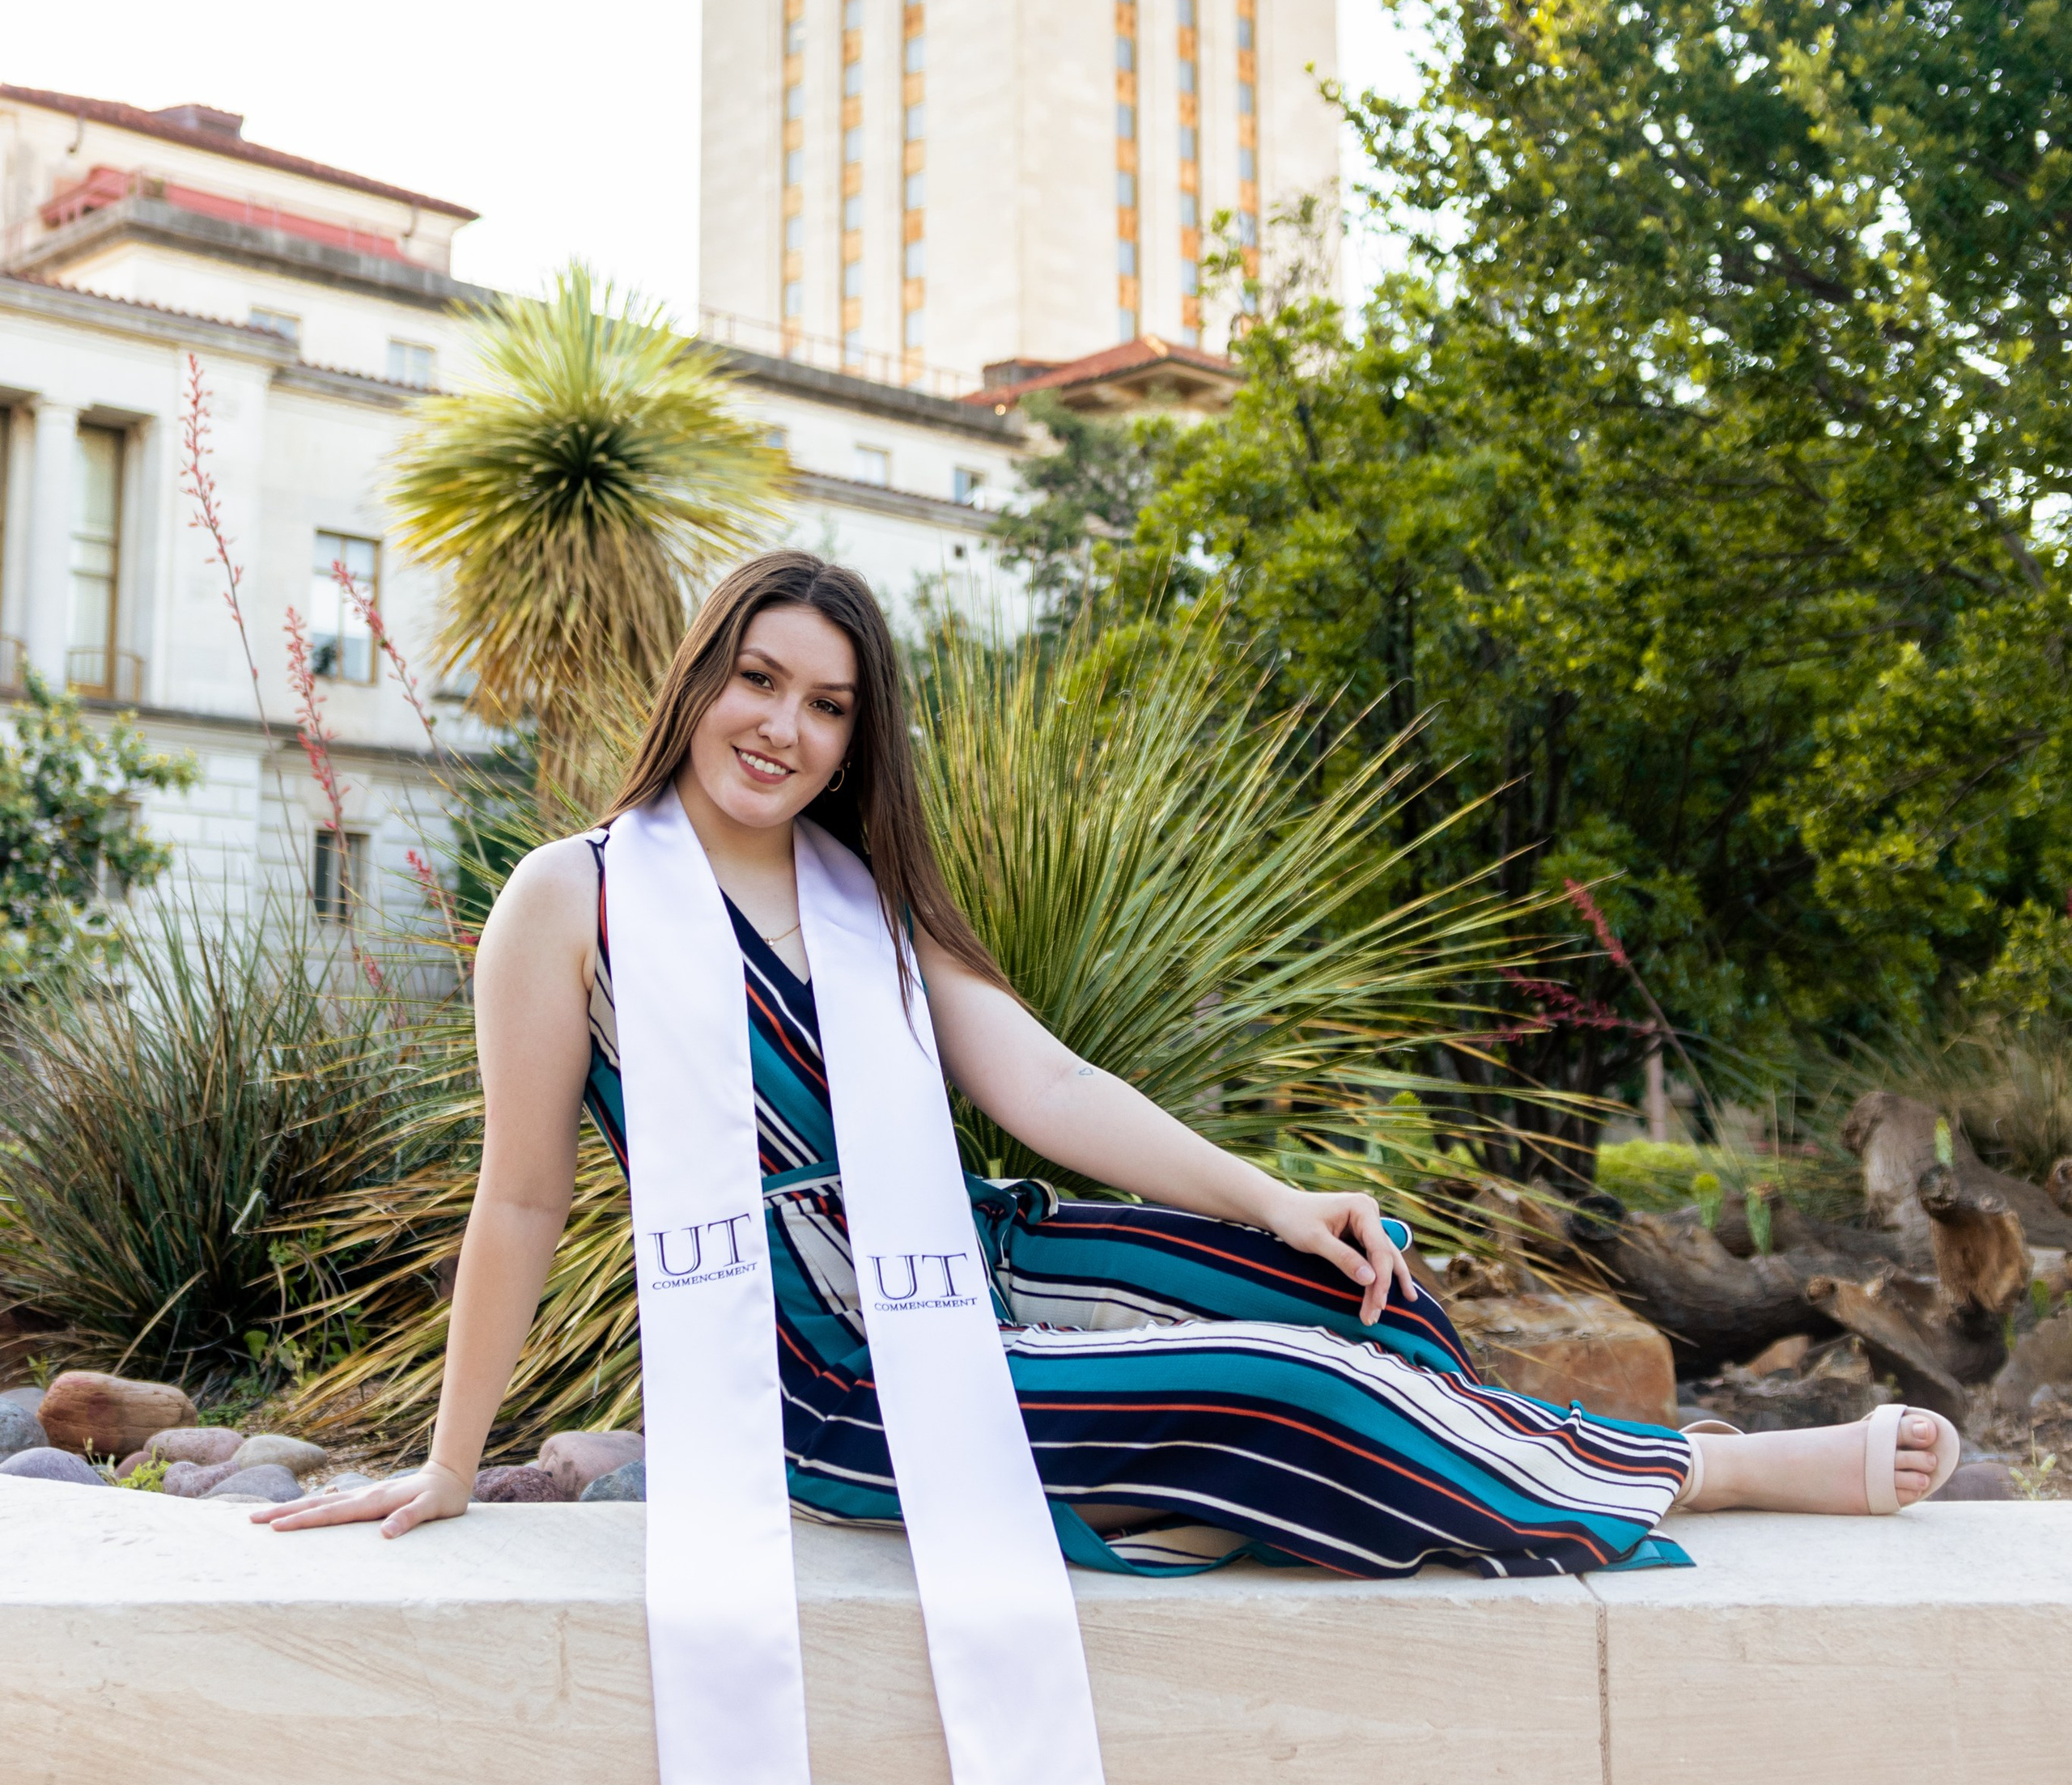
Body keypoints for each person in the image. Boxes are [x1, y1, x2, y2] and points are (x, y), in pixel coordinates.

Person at [267, 551, 1957, 1570]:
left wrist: (1274, 1198)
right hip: (819, 1372)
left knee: (1353, 1291)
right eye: (757, 679)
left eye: (831, 705)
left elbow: (1047, 1090)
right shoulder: (572, 899)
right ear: (700, 678)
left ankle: (1242, 1480)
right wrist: (444, 1462)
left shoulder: (862, 899)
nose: (783, 726)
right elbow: (517, 1200)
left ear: (862, 738)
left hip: (972, 1252)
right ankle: (1705, 1472)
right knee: (1286, 1387)